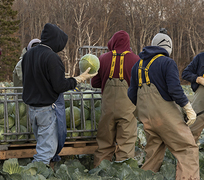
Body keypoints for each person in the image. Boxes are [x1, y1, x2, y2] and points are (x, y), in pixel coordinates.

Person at [128, 30, 199, 180]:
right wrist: (187, 108)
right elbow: (175, 89)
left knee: (154, 152)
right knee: (187, 148)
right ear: (168, 47)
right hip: (166, 116)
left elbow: (132, 94)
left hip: (147, 117)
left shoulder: (137, 66)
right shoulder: (167, 62)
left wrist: (146, 112)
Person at [22, 23, 96, 164]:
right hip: (47, 109)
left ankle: (41, 177)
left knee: (43, 145)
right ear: (56, 41)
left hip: (32, 109)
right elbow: (59, 86)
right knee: (46, 151)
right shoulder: (52, 58)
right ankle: (32, 177)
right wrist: (77, 79)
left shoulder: (28, 55)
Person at [91, 30, 140, 168]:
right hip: (127, 109)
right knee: (126, 144)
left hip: (107, 109)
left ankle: (100, 173)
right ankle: (121, 176)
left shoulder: (103, 58)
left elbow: (94, 83)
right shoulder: (136, 60)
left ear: (113, 41)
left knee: (104, 144)